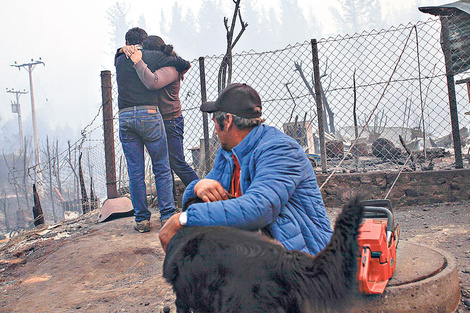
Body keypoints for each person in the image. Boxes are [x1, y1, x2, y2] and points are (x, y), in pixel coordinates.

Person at [159, 83, 333, 255]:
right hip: (267, 246)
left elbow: (259, 209)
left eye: (215, 123)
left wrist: (183, 219)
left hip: (307, 256)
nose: (216, 132)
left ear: (227, 121)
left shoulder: (280, 149)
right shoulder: (228, 152)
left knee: (200, 223)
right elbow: (200, 196)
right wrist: (198, 187)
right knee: (200, 207)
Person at [114, 27, 190, 233]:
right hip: (149, 114)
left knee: (135, 171)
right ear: (144, 41)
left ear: (127, 42)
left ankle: (142, 220)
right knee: (162, 167)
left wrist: (122, 50)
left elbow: (119, 53)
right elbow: (183, 64)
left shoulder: (119, 59)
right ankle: (166, 216)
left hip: (126, 116)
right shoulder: (149, 56)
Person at [124, 35, 199, 202]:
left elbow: (153, 82)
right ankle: (170, 200)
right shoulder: (165, 65)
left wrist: (139, 63)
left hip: (170, 120)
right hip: (159, 119)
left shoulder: (169, 69)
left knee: (177, 162)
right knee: (164, 165)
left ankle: (201, 191)